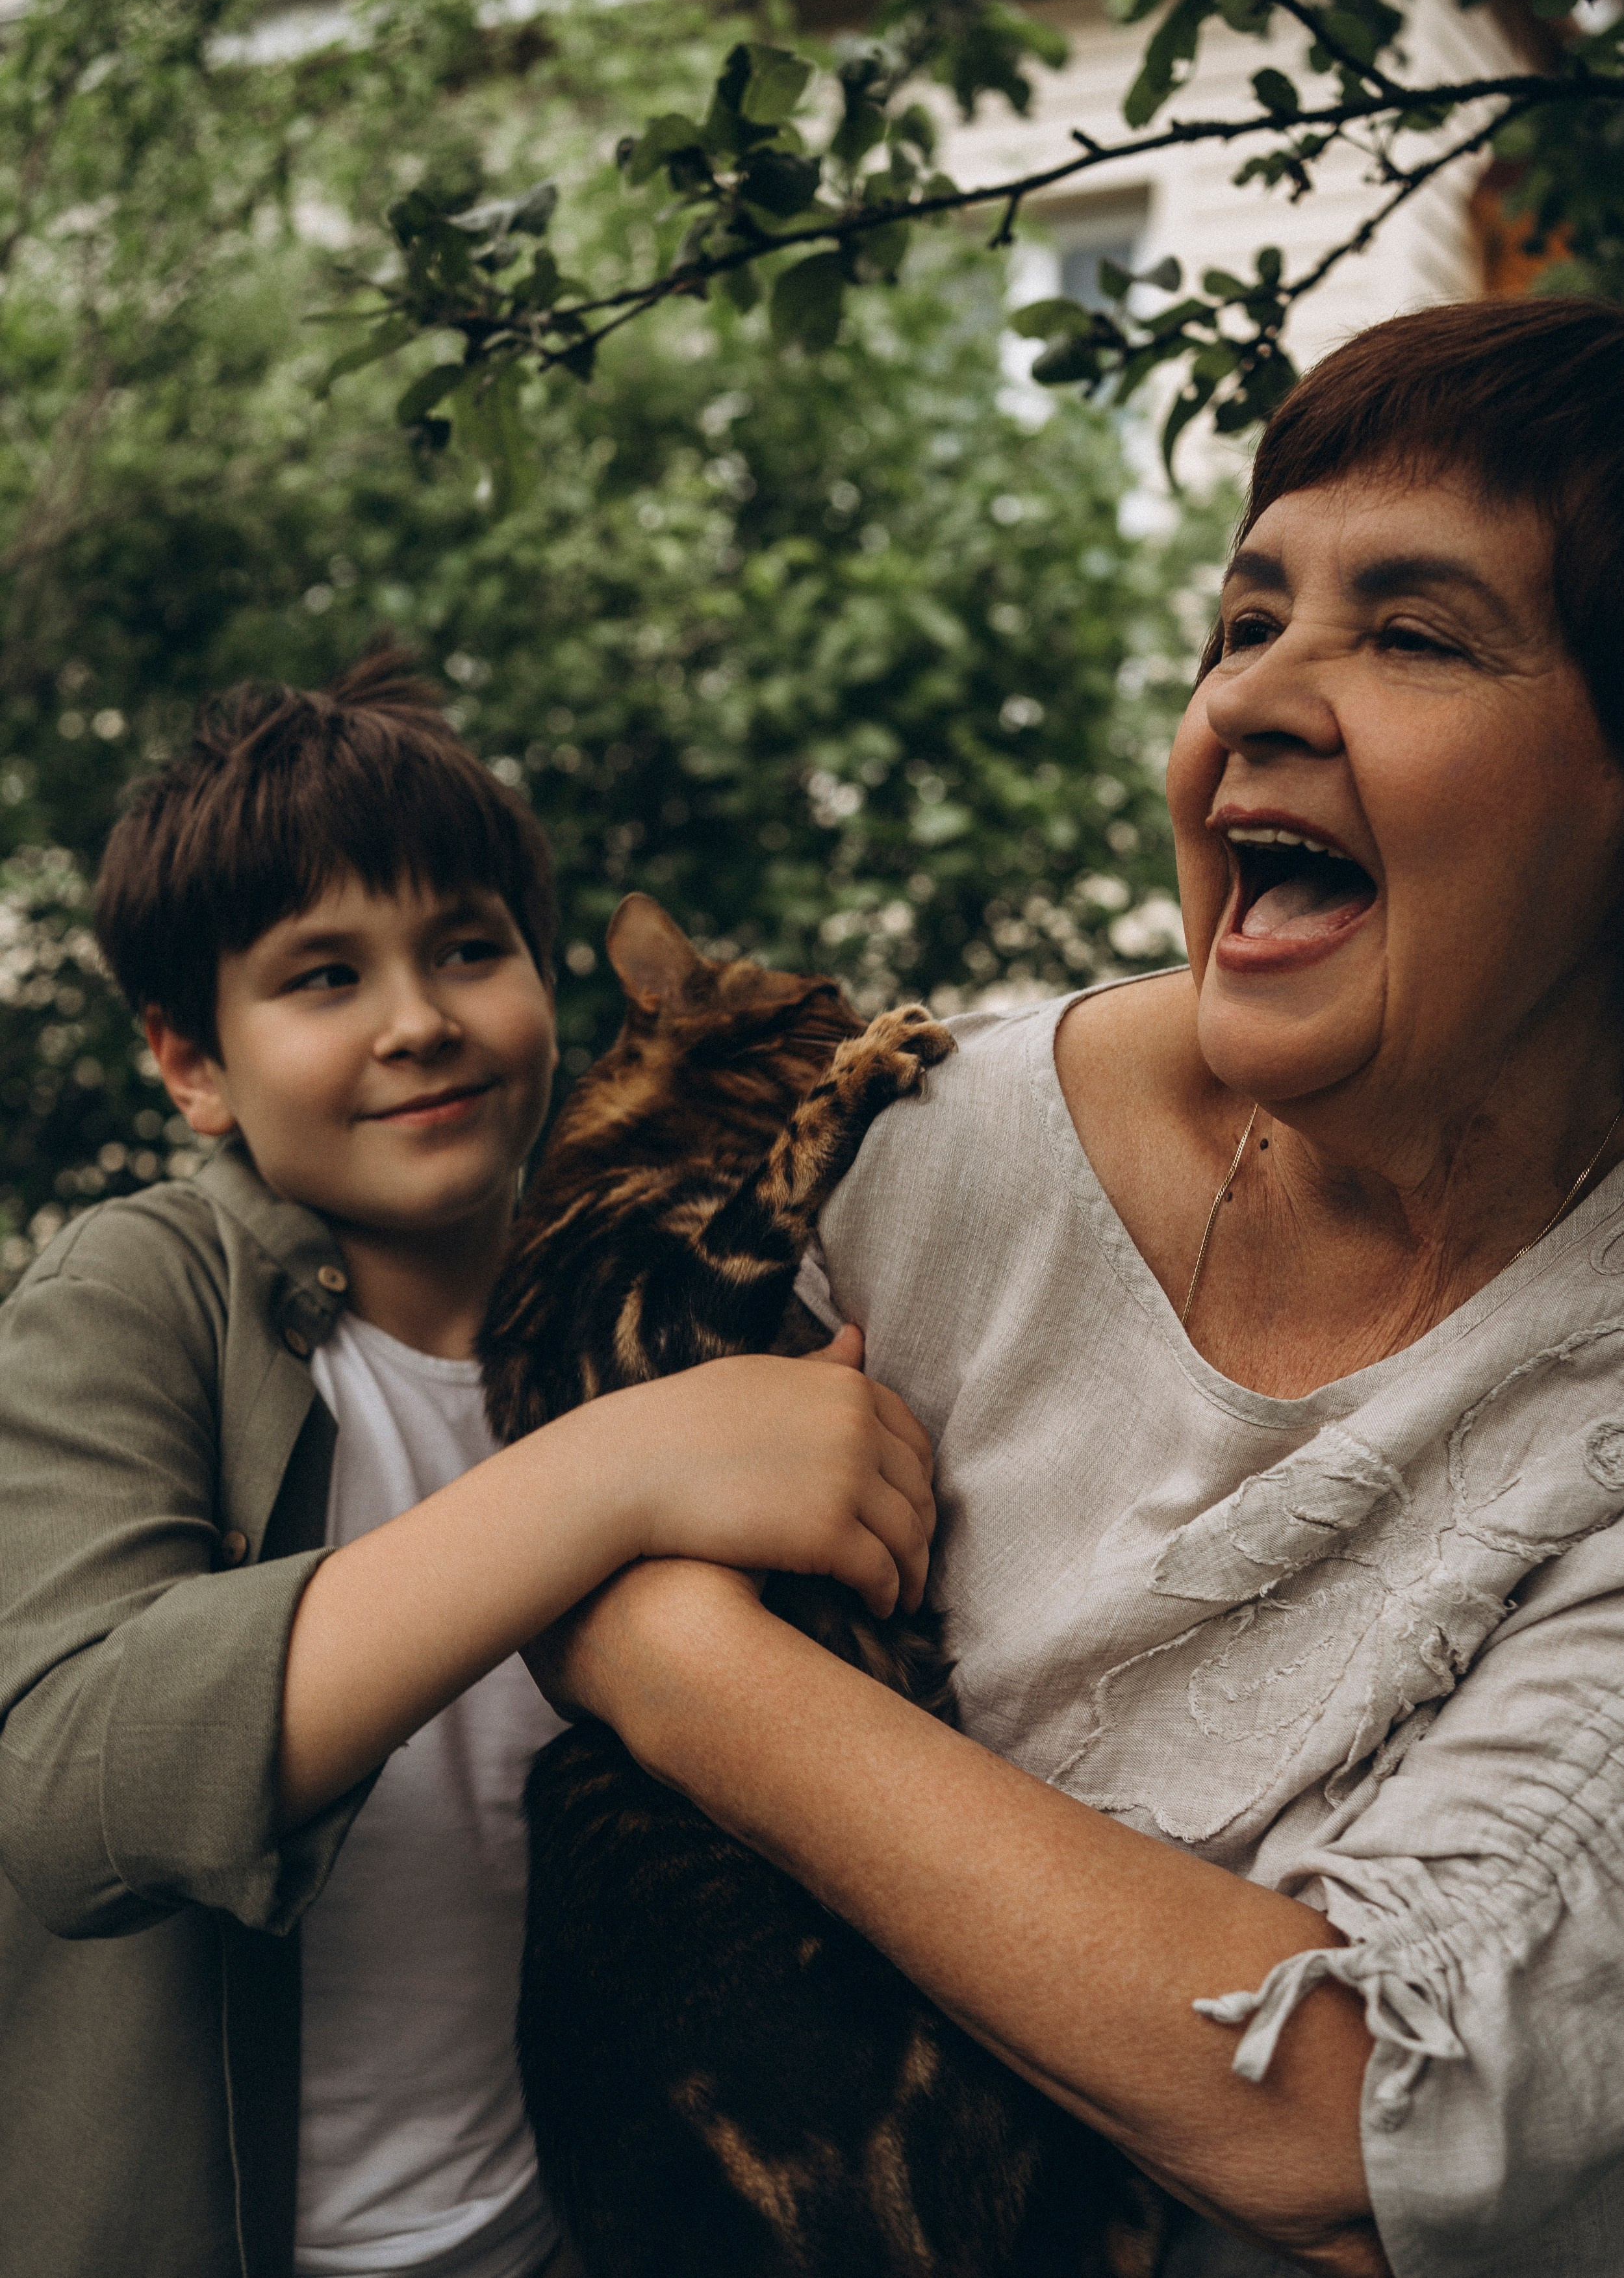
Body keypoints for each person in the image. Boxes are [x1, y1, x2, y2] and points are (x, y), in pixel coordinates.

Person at [527, 296, 1624, 2278]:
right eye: (1244, 620)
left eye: (1410, 632)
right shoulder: (915, 1156)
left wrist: (667, 1653)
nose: (1257, 695)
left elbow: (1369, 2113)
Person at [0, 656, 936, 2278]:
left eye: (468, 950)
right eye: (322, 977)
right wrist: (616, 1473)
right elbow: (76, 1791)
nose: (421, 1020)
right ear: (190, 1064)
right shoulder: (138, 1296)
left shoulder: (676, 1314)